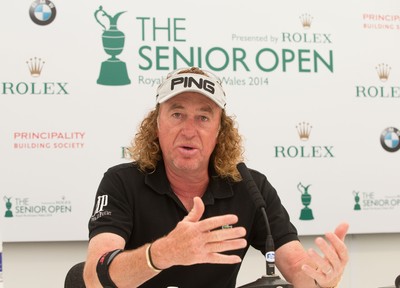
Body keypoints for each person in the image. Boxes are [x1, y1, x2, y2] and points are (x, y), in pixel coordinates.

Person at [83, 67, 349, 288]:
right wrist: (163, 253)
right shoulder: (121, 182)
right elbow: (94, 278)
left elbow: (296, 268)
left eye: (203, 117)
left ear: (220, 132)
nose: (189, 130)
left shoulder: (251, 187)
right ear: (157, 125)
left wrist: (322, 279)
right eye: (177, 114)